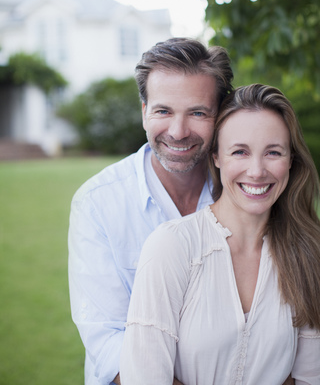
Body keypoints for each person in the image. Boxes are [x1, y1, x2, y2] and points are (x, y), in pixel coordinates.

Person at [120, 84, 320, 385]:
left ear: (291, 160)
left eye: (273, 152)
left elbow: (309, 377)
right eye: (240, 151)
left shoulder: (308, 252)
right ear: (215, 156)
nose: (256, 171)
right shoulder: (172, 246)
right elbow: (145, 377)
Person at [68, 37, 234, 385]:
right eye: (163, 111)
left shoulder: (243, 193)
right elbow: (108, 342)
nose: (177, 131)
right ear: (144, 111)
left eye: (198, 112)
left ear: (220, 115)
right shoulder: (98, 203)